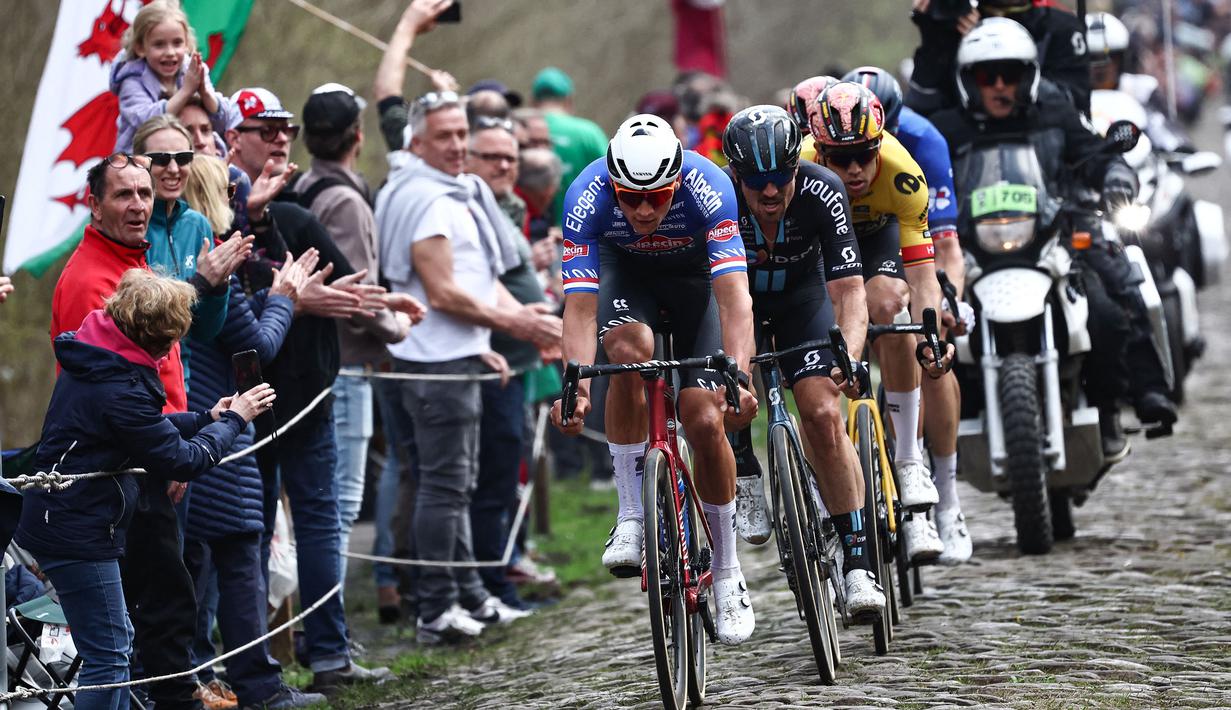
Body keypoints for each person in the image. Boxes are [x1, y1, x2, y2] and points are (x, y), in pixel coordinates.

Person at [16, 268, 271, 710]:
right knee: (110, 657)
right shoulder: (121, 386)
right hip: (78, 531)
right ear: (162, 337)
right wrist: (237, 419)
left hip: (70, 521)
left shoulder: (100, 356)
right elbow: (184, 460)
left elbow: (144, 430)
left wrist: (207, 418)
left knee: (115, 645)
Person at [550, 113, 759, 645]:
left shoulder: (710, 186)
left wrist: (738, 375)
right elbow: (578, 310)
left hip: (696, 288)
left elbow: (735, 300)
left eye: (657, 198)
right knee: (626, 352)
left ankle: (729, 572)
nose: (643, 210)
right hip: (629, 280)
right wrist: (574, 387)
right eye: (630, 198)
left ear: (677, 182)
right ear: (612, 183)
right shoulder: (585, 193)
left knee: (704, 417)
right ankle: (630, 515)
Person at [928, 18, 1176, 456]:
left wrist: (1117, 175)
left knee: (1108, 301)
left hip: (1052, 236)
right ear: (969, 80)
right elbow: (915, 172)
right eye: (988, 76)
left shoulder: (1055, 110)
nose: (1001, 85)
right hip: (972, 246)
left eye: (1012, 74)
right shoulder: (946, 128)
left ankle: (1120, 403)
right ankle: (927, 438)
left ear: (1031, 75)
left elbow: (1096, 154)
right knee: (925, 323)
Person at [224, 85, 393, 693]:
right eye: (262, 129)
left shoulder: (292, 213)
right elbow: (344, 294)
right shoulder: (223, 219)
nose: (277, 140)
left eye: (284, 130)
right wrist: (291, 295)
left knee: (312, 520)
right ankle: (260, 669)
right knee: (257, 525)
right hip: (245, 397)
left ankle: (322, 654)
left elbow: (349, 290)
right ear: (230, 138)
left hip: (302, 393)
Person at [375, 92, 557, 643]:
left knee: (457, 483)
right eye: (445, 137)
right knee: (444, 487)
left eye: (461, 134)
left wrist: (493, 328)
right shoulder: (428, 198)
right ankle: (436, 608)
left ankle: (470, 593)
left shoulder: (446, 190)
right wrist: (518, 325)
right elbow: (443, 292)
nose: (456, 146)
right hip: (434, 364)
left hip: (458, 353)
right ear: (418, 142)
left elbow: (475, 279)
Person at [49, 154, 220, 710]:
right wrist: (170, 452)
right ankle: (176, 700)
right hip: (128, 464)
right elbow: (114, 393)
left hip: (155, 447)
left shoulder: (136, 264)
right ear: (95, 205)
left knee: (163, 594)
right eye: (124, 195)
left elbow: (161, 367)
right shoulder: (88, 278)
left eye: (145, 194)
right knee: (150, 605)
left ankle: (171, 694)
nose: (139, 205)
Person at [720, 105, 886, 619]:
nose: (770, 193)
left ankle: (858, 563)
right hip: (738, 301)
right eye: (756, 181)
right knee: (731, 388)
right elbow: (719, 301)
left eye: (781, 178)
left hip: (803, 303)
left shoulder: (823, 189)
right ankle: (743, 457)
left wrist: (851, 359)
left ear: (798, 166)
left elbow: (850, 292)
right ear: (736, 176)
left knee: (820, 413)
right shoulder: (719, 199)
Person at [180, 155, 325, 710]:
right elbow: (253, 347)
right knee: (237, 549)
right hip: (217, 421)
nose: (243, 208)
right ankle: (257, 687)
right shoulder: (209, 269)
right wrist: (285, 298)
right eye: (234, 196)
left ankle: (213, 682)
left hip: (202, 422)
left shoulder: (189, 259)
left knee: (204, 560)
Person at [805, 82, 950, 563]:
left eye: (865, 155)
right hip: (821, 246)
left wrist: (930, 333)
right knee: (816, 329)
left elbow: (924, 276)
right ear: (818, 149)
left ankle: (909, 459)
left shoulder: (904, 173)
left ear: (880, 142)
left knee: (891, 305)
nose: (854, 170)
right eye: (839, 157)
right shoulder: (800, 170)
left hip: (877, 238)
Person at [842, 65, 974, 564]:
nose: (857, 162)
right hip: (840, 236)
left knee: (928, 339)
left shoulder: (920, 144)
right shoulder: (819, 159)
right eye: (844, 151)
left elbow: (943, 246)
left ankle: (946, 498)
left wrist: (947, 304)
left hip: (901, 234)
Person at [298, 82, 422, 592]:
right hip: (345, 367)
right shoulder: (346, 202)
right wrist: (397, 328)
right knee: (342, 504)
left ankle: (321, 628)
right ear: (358, 135)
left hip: (319, 362)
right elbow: (355, 291)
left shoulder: (303, 187)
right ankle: (329, 632)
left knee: (325, 502)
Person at [464, 117, 554, 609]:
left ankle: (502, 574)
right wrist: (523, 319)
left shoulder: (508, 206)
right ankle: (489, 583)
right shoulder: (468, 206)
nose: (504, 165)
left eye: (510, 158)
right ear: (469, 160)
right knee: (491, 477)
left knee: (510, 471)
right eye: (492, 156)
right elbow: (473, 283)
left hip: (518, 361)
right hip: (488, 361)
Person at [906, 0, 1091, 116]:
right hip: (970, 150)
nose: (999, 84)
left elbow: (1074, 105)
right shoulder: (954, 22)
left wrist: (993, 43)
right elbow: (921, 110)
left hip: (1041, 149)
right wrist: (934, 40)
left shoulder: (1062, 28)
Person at [110, 1, 231, 153]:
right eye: (159, 45)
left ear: (187, 44)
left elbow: (223, 122)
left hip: (189, 154)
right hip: (142, 161)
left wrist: (205, 93)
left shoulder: (191, 69)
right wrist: (186, 92)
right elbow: (147, 123)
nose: (170, 52)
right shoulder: (132, 80)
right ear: (141, 48)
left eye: (177, 43)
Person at [372, 0, 460, 153]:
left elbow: (388, 96)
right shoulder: (470, 165)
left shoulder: (416, 155)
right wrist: (448, 98)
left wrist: (408, 25)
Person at [530, 66, 608, 224]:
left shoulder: (525, 131)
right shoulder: (590, 133)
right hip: (583, 234)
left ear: (533, 101)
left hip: (538, 238)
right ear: (568, 100)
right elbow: (613, 181)